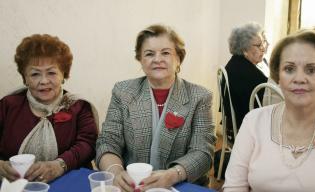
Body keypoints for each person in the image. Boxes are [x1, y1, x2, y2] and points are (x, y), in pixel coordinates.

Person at [223, 30, 315, 191]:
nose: (299, 78)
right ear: (278, 78)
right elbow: (235, 186)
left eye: (311, 70)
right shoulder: (254, 122)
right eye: (289, 69)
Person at [96, 24, 215, 192]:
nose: (157, 59)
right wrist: (115, 172)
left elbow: (203, 153)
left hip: (180, 186)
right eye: (149, 54)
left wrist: (174, 174)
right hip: (132, 186)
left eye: (165, 53)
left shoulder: (200, 97)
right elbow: (108, 141)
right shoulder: (123, 92)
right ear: (140, 59)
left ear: (179, 58)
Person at [0, 34, 98, 183]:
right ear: (25, 78)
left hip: (69, 183)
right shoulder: (8, 105)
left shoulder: (79, 106)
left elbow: (88, 144)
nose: (44, 81)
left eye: (51, 73)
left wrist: (58, 166)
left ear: (63, 75)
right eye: (35, 74)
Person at [223, 22, 267, 141]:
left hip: (238, 126)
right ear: (244, 49)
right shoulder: (244, 72)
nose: (263, 48)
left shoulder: (236, 63)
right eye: (258, 45)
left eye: (263, 43)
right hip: (247, 132)